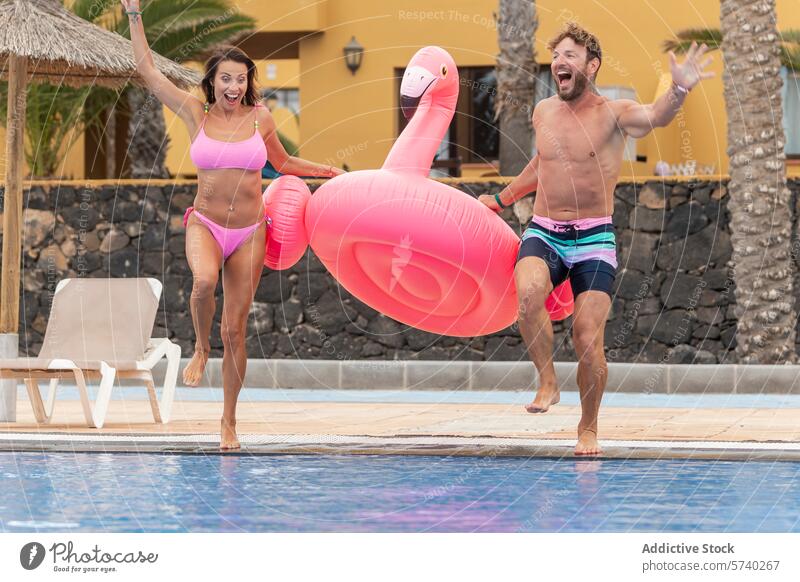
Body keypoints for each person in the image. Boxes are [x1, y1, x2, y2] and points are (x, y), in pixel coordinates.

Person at [480, 22, 713, 455]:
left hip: (593, 239)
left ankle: (588, 426)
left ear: (593, 65)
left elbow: (656, 117)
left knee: (587, 339)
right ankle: (547, 380)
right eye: (557, 56)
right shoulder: (543, 111)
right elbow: (541, 164)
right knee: (528, 297)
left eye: (570, 55)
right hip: (545, 230)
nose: (560, 63)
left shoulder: (615, 114)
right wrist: (501, 197)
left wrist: (679, 91)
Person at [122, 0, 343, 449]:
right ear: (212, 81)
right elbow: (146, 70)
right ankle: (201, 347)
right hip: (205, 222)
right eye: (226, 78)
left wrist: (325, 171)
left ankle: (228, 423)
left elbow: (281, 163)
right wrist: (134, 15)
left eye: (241, 79)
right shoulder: (193, 112)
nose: (234, 86)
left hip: (250, 231)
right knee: (203, 284)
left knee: (236, 330)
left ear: (248, 83)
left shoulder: (260, 118)